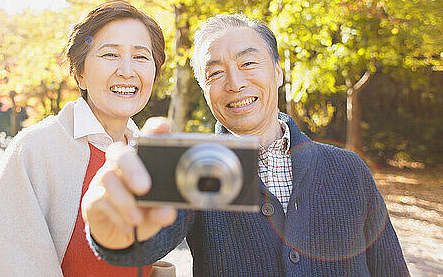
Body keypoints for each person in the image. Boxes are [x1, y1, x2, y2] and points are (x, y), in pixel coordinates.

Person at [82, 14, 410, 276]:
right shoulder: (196, 168)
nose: (235, 83)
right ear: (205, 90)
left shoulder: (348, 167)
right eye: (214, 73)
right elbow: (150, 239)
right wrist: (119, 235)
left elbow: (390, 268)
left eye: (248, 63)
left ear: (279, 71)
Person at [0, 0, 168, 277]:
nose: (127, 70)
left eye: (141, 57)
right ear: (80, 73)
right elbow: (7, 263)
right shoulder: (35, 149)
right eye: (110, 55)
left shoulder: (150, 154)